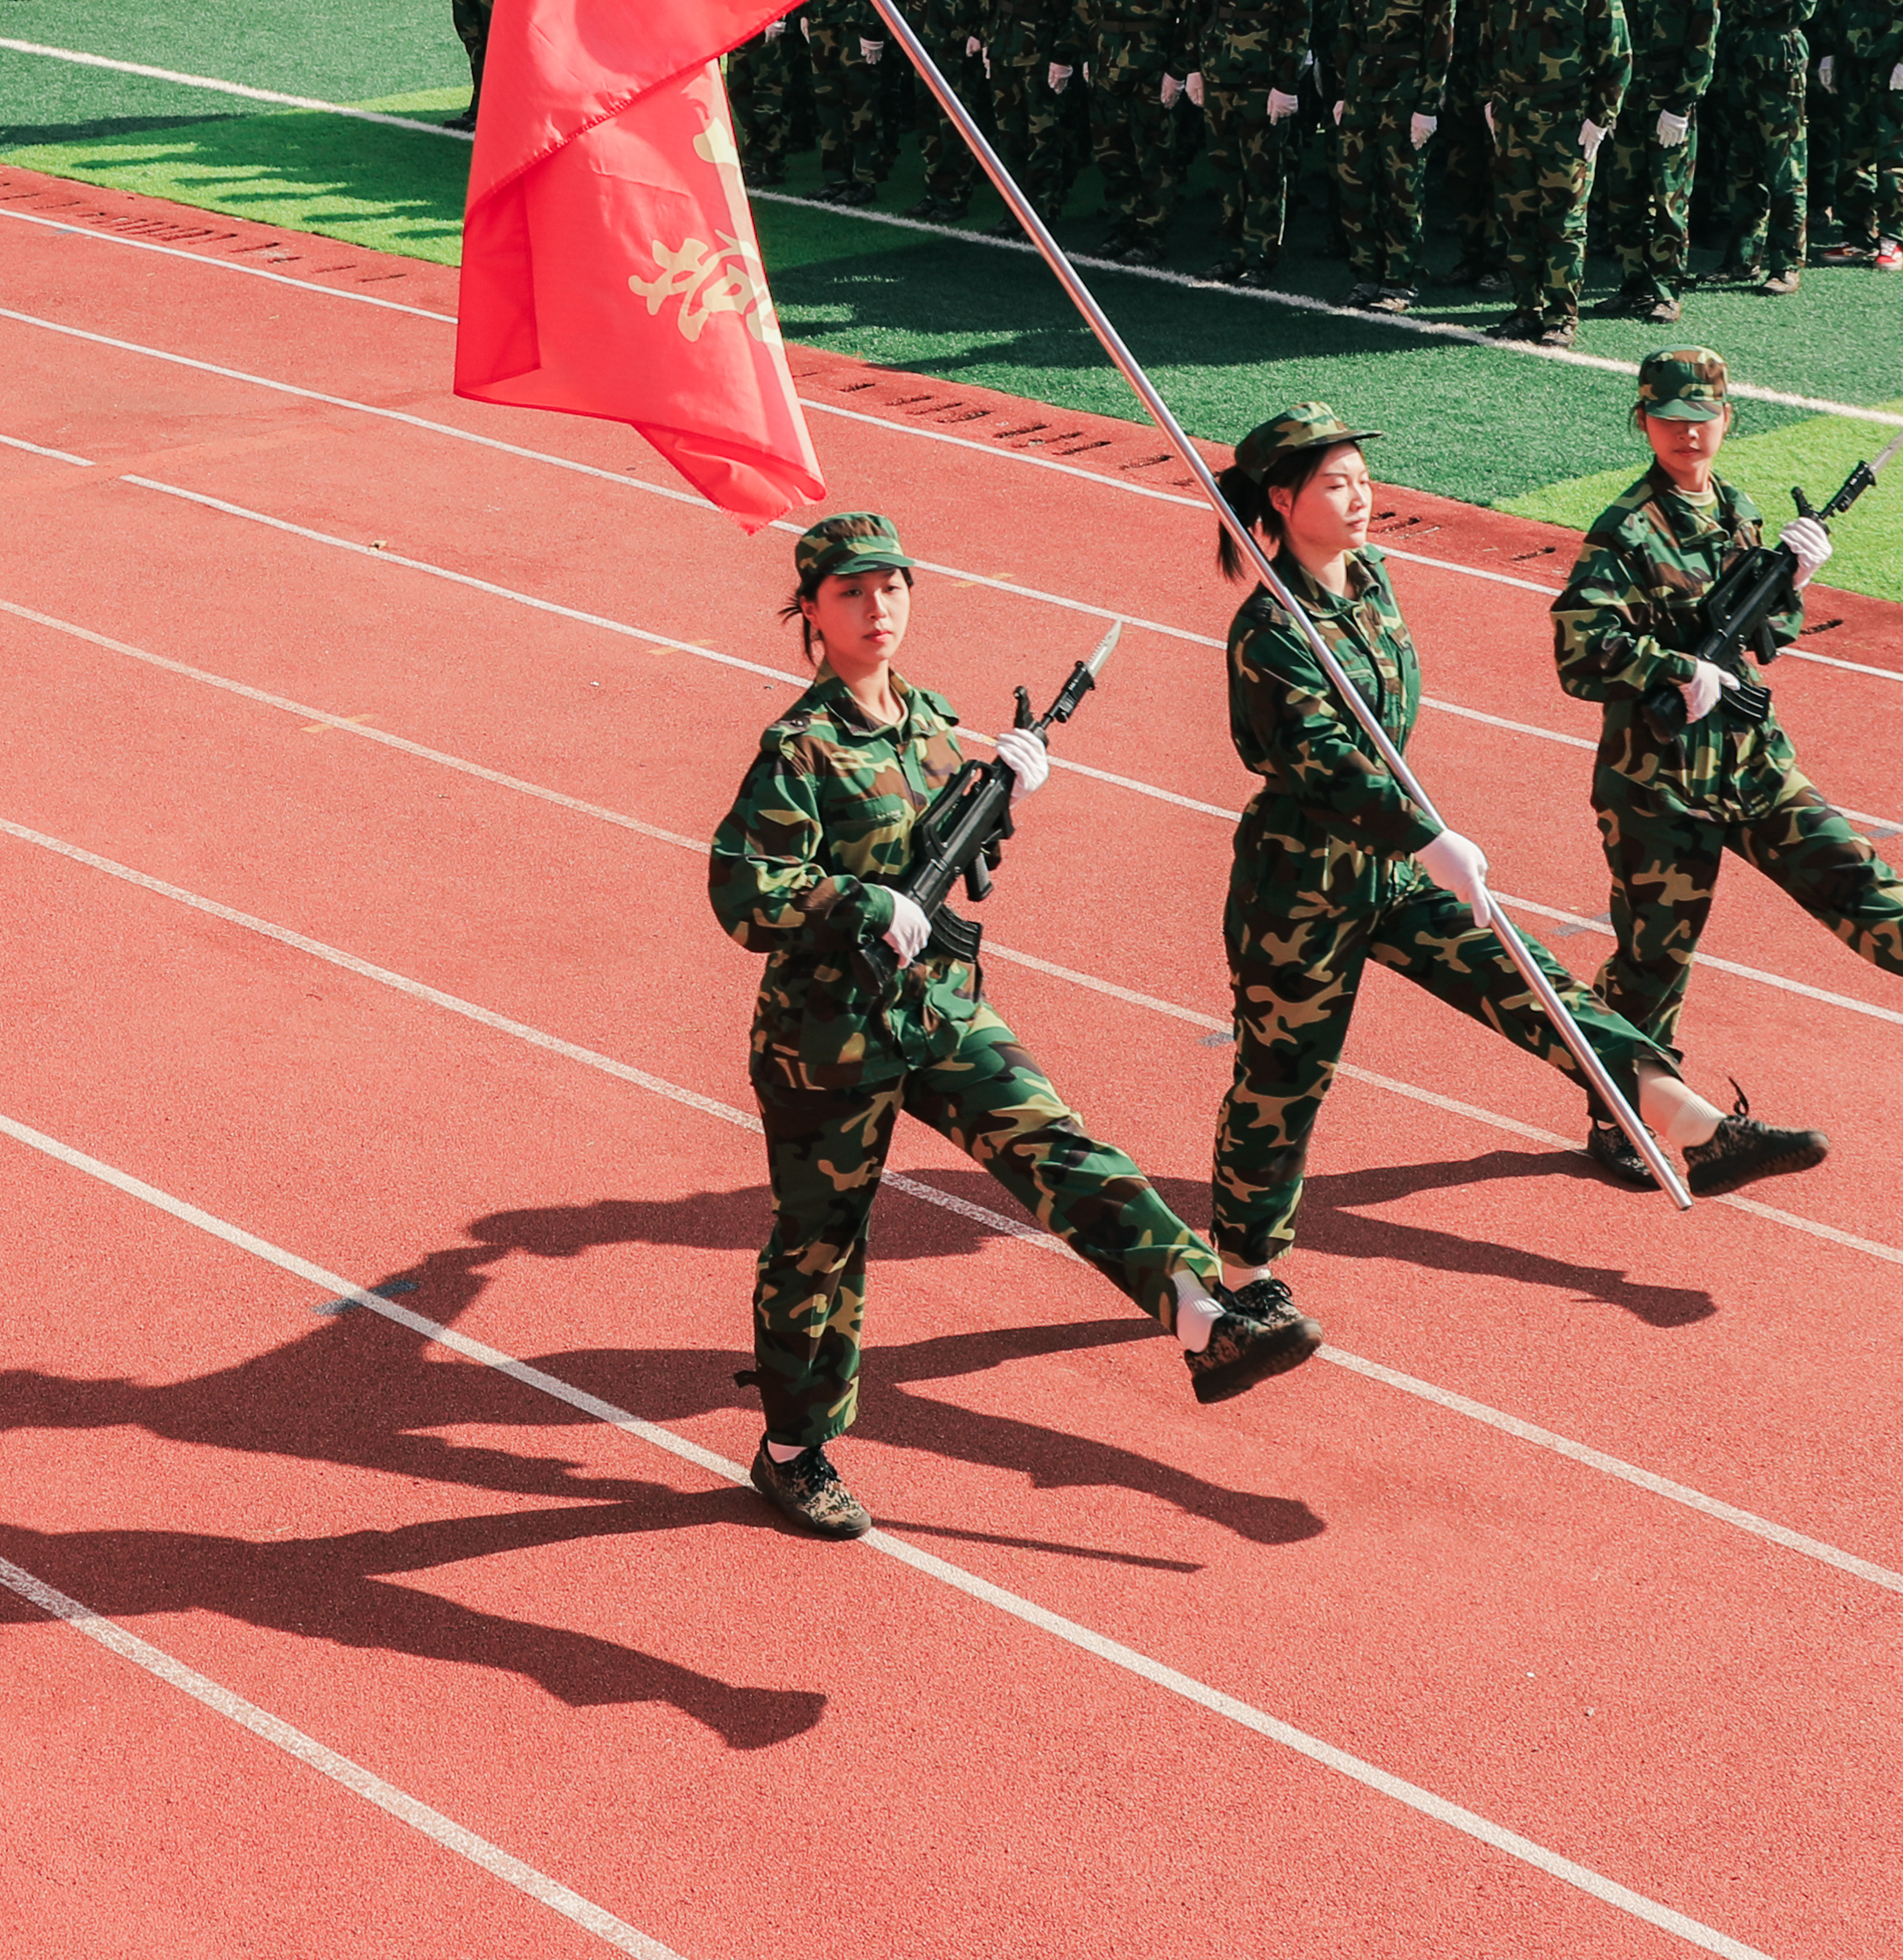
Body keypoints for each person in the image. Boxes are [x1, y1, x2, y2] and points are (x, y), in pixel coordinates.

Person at [714, 511, 1313, 1539]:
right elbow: (744, 893)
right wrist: (863, 904)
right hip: (827, 1041)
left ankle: (1205, 1314)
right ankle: (792, 1449)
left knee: (1055, 1143)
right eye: (852, 592)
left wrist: (1004, 788)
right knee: (820, 1244)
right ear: (810, 609)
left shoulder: (930, 716)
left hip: (938, 1005)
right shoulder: (799, 750)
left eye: (892, 586)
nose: (877, 607)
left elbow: (952, 848)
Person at [1206, 402, 1822, 1301]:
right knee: (1281, 1082)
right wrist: (1429, 836)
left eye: (1362, 479)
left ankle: (1697, 1130)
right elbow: (1323, 765)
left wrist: (1418, 844)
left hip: (1397, 867)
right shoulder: (1269, 633)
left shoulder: (1369, 578)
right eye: (1334, 483)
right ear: (1281, 498)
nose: (1360, 497)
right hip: (1300, 884)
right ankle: (1244, 1273)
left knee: (1535, 984)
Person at [1547, 350, 1903, 1179]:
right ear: (1644, 423)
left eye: (1702, 413)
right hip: (1657, 783)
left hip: (1751, 762)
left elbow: (1763, 636)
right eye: (1668, 416)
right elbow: (1579, 650)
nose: (1687, 429)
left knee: (1856, 873)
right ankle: (1620, 1117)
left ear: (1728, 418)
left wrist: (1790, 578)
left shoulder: (1738, 512)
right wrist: (1677, 670)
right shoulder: (1627, 527)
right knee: (1652, 962)